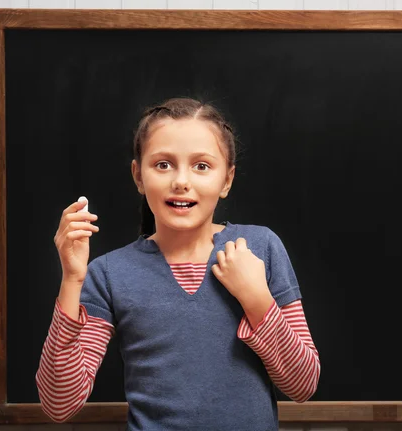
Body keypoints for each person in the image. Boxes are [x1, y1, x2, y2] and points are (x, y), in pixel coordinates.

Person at [36, 97, 320, 431]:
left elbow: (302, 386)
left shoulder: (261, 249)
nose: (181, 181)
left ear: (226, 180)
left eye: (202, 166)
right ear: (138, 176)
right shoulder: (109, 274)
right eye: (163, 165)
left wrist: (257, 299)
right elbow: (59, 404)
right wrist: (71, 279)